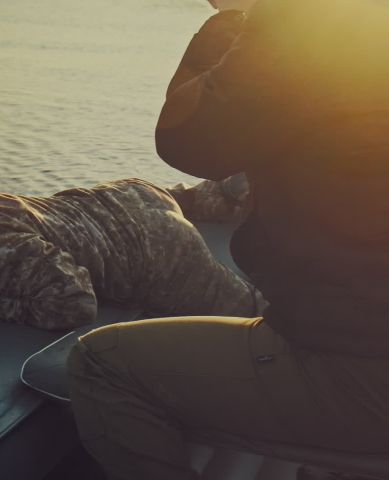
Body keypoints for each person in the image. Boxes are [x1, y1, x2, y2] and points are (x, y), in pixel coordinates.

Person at [67, 0, 389, 479]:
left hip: (361, 370)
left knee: (102, 363)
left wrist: (224, 30)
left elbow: (187, 139)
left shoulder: (307, 20)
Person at [0, 162, 264, 377]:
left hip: (156, 248)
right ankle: (238, 187)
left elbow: (75, 303)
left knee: (256, 314)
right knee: (197, 199)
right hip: (126, 195)